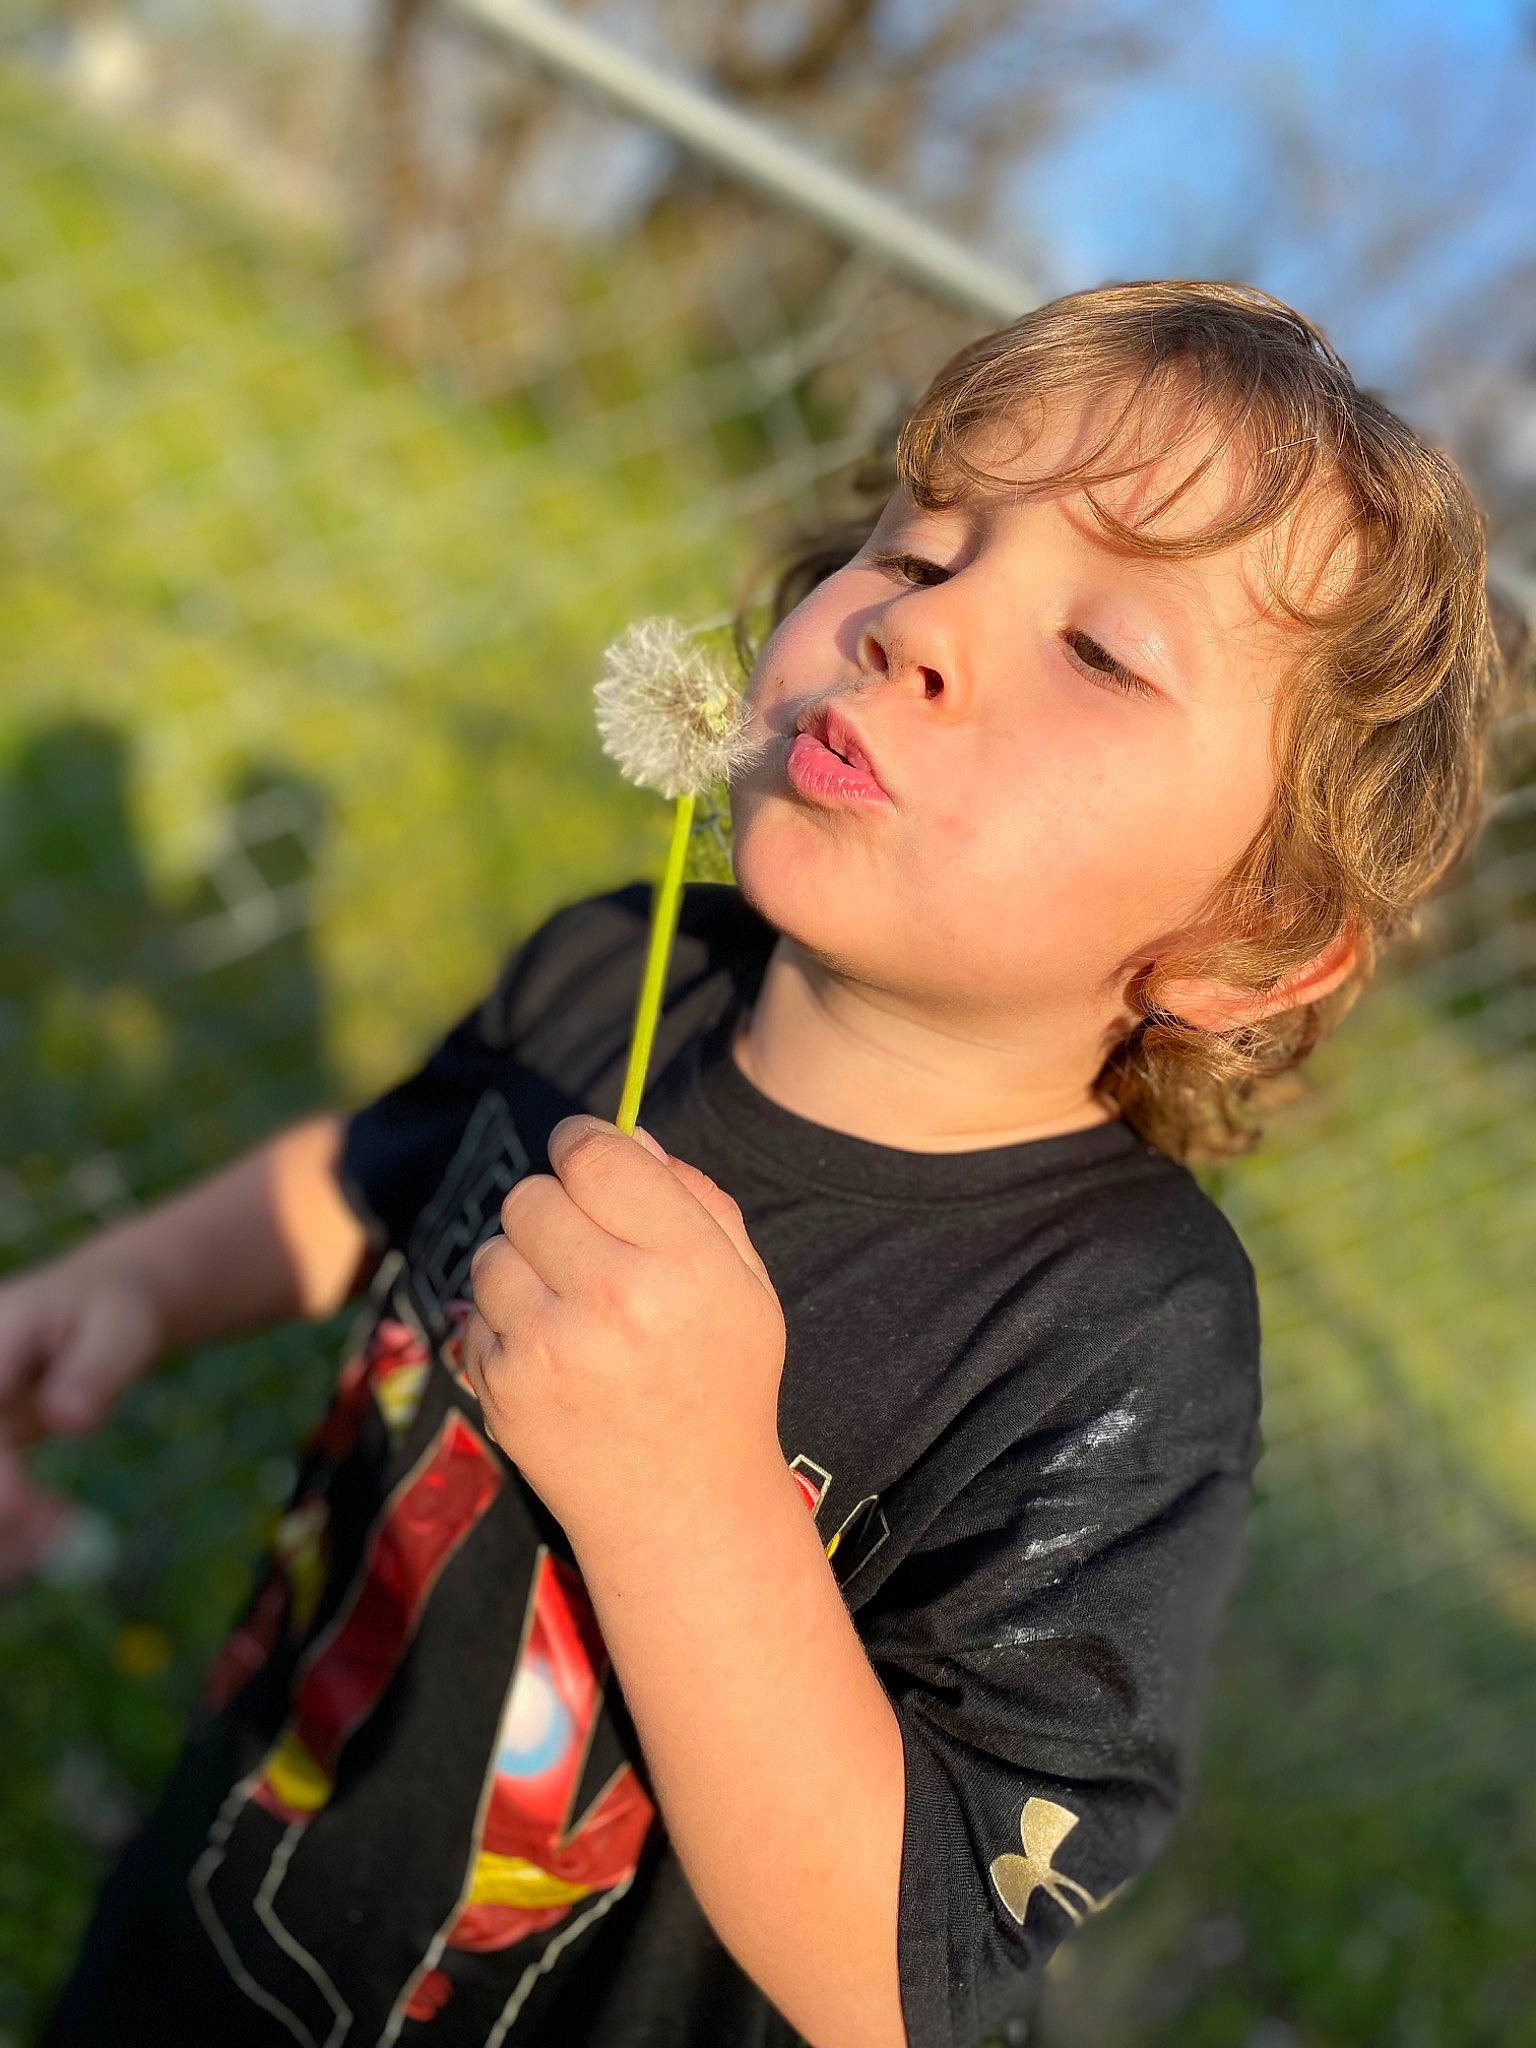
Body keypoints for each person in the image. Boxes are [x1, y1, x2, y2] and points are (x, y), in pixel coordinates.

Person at [0, 281, 1507, 2048]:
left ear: (1246, 945)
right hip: (204, 1940)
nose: (918, 631)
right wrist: (115, 1290)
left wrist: (691, 1491)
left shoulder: (1119, 1341)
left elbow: (915, 1972)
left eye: (1100, 650)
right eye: (924, 544)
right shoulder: (615, 963)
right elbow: (376, 1174)